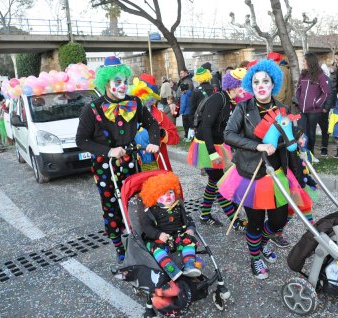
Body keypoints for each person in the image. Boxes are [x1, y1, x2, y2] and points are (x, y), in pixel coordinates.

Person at [219, 59, 312, 279]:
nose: (261, 85)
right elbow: (229, 135)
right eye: (256, 81)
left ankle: (261, 244)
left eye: (266, 81)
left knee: (279, 221)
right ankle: (255, 257)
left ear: (273, 84)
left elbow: (288, 133)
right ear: (252, 85)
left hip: (278, 171)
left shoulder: (282, 108)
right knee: (256, 221)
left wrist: (298, 139)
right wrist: (257, 145)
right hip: (253, 172)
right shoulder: (243, 108)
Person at [76, 56, 160, 262]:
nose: (123, 86)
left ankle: (143, 237)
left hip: (132, 162)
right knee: (111, 205)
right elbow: (81, 140)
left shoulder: (134, 102)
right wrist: (109, 151)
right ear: (106, 83)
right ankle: (119, 247)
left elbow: (152, 124)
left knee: (138, 201)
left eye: (125, 81)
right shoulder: (92, 109)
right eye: (118, 82)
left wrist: (154, 141)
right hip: (106, 167)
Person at [187, 68, 248, 229]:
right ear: (234, 85)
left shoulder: (230, 101)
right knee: (220, 183)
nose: (246, 89)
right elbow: (206, 126)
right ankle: (236, 222)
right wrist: (212, 153)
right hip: (206, 146)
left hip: (218, 144)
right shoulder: (218, 99)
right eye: (244, 85)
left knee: (213, 182)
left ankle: (204, 215)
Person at [138, 172, 201, 280]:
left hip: (178, 236)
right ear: (154, 196)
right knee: (157, 250)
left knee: (189, 242)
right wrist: (158, 234)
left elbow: (188, 219)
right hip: (160, 239)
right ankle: (170, 268)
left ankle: (189, 265)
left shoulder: (178, 207)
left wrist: (190, 228)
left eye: (170, 192)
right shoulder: (151, 211)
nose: (168, 195)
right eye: (163, 193)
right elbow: (146, 227)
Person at [130, 75, 180, 172]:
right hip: (134, 164)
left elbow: (175, 138)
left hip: (156, 164)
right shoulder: (127, 114)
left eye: (151, 97)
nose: (147, 100)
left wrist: (163, 133)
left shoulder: (160, 116)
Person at [295, 52, 330, 154]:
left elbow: (326, 92)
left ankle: (311, 154)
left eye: (304, 60)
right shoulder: (303, 74)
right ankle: (302, 152)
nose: (303, 62)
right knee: (301, 132)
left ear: (309, 61)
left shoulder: (321, 76)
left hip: (314, 111)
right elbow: (298, 88)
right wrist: (297, 99)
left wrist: (316, 103)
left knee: (311, 133)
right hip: (301, 109)